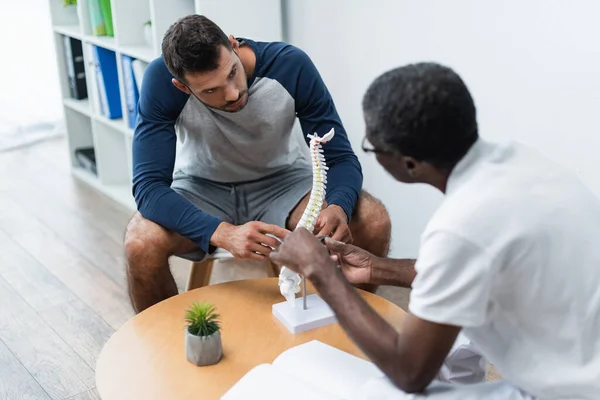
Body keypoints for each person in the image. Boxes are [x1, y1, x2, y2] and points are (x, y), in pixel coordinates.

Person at [269, 62, 600, 399]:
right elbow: (474, 266)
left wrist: (322, 272)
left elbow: (408, 371)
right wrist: (378, 268)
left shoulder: (461, 224)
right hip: (582, 348)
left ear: (409, 163)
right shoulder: (526, 162)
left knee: (379, 391)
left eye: (372, 146)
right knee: (452, 334)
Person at [123, 15, 391, 313]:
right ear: (182, 87)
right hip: (202, 187)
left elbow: (340, 158)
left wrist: (339, 205)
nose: (233, 93)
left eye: (232, 73)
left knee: (373, 220)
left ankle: (353, 327)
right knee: (140, 243)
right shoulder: (160, 81)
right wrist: (222, 232)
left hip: (285, 182)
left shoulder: (290, 65)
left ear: (234, 45)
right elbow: (148, 188)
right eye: (210, 90)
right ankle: (166, 350)